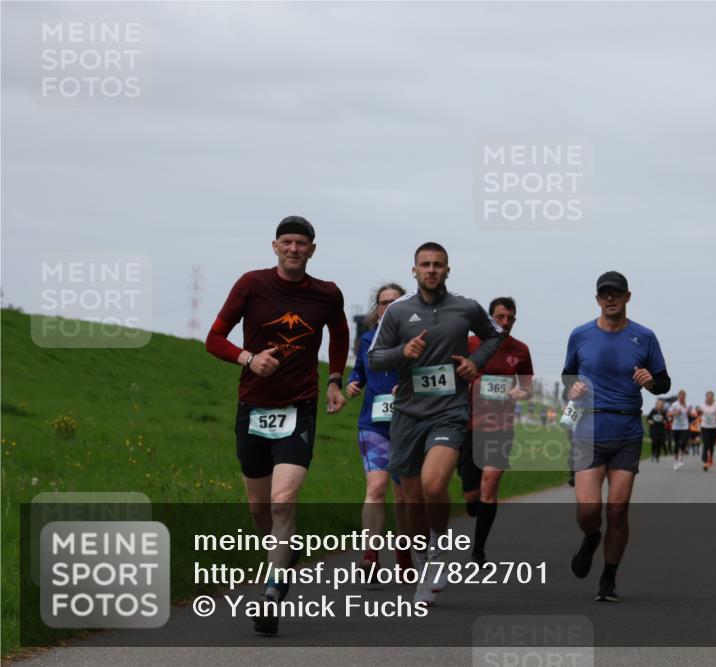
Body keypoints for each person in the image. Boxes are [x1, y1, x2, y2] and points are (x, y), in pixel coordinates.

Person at [205, 215, 349, 635]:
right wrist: (249, 359)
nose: (293, 249)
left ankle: (271, 592)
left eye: (301, 243)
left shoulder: (327, 294)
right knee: (259, 510)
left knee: (283, 501)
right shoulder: (252, 284)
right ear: (274, 246)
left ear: (312, 250)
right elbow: (214, 338)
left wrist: (335, 380)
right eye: (286, 242)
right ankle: (288, 551)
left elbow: (339, 336)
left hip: (299, 407)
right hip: (252, 406)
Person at [368, 242, 505, 605]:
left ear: (448, 269)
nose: (431, 270)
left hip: (450, 410)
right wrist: (403, 352)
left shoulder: (466, 307)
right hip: (409, 413)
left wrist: (476, 362)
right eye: (425, 265)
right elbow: (375, 358)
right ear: (414, 270)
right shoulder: (397, 311)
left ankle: (437, 553)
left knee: (434, 483)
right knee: (412, 501)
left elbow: (495, 335)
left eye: (438, 264)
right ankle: (421, 555)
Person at [562, 271, 671, 602]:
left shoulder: (644, 337)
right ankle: (591, 536)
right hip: (588, 429)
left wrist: (649, 381)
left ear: (627, 297)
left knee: (618, 510)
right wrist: (573, 386)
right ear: (597, 299)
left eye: (616, 293)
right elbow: (568, 376)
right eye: (604, 294)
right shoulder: (580, 335)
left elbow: (663, 383)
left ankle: (608, 578)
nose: (610, 299)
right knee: (588, 509)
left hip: (626, 430)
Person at [457, 297, 534, 564]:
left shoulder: (520, 350)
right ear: (489, 319)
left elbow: (527, 387)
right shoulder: (470, 344)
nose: (505, 323)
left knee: (490, 483)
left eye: (510, 318)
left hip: (500, 427)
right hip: (468, 424)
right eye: (500, 317)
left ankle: (478, 550)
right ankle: (471, 501)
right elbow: (452, 372)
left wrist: (520, 392)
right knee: (471, 491)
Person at [346, 283, 412, 574]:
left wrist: (409, 387)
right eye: (383, 302)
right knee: (375, 487)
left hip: (408, 425)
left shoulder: (416, 340)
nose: (388, 307)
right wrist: (353, 382)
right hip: (373, 423)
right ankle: (370, 555)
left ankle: (405, 555)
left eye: (395, 302)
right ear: (377, 307)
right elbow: (359, 369)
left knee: (403, 497)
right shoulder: (368, 339)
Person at [695, 391, 716, 472]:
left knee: (711, 445)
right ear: (706, 397)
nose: (709, 398)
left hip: (714, 427)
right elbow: (697, 412)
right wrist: (698, 411)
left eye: (710, 397)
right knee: (706, 443)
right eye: (707, 397)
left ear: (713, 397)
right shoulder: (702, 405)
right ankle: (705, 461)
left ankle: (710, 457)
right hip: (705, 427)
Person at [668, 389, 692, 470]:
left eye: (683, 396)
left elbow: (690, 415)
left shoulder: (688, 404)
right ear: (678, 397)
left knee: (684, 442)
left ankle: (681, 455)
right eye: (680, 396)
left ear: (685, 397)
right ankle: (675, 462)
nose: (681, 398)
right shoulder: (675, 404)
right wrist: (675, 413)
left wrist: (689, 412)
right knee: (677, 444)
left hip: (685, 426)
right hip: (676, 427)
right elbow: (669, 414)